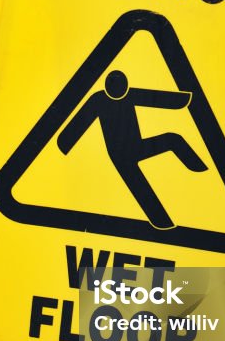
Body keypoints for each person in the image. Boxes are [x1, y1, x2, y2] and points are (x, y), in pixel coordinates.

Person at [57, 69, 207, 229]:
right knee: (140, 186)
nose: (118, 91)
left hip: (137, 146)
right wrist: (65, 144)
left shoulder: (130, 94)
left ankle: (201, 170)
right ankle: (163, 223)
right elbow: (75, 127)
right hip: (119, 155)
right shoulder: (97, 100)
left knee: (172, 139)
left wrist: (184, 100)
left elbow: (156, 98)